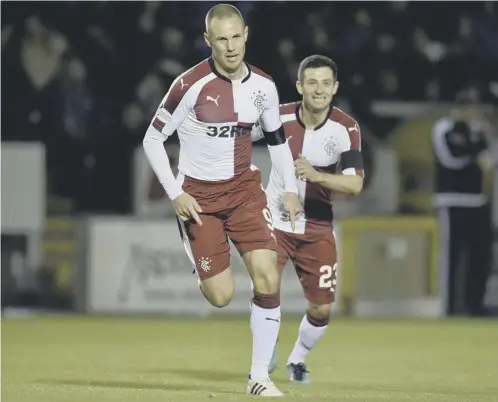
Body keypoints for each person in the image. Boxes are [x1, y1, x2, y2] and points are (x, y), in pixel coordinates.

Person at [142, 4, 301, 397]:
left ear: (246, 34)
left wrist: (292, 189)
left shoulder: (264, 87)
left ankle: (259, 377)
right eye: (221, 39)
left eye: (236, 37)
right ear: (208, 41)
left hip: (245, 193)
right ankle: (203, 265)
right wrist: (175, 194)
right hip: (199, 200)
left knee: (267, 273)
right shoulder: (188, 85)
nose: (230, 47)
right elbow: (153, 139)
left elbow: (278, 144)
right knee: (221, 296)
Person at [252, 55, 364, 383]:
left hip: (316, 228)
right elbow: (239, 138)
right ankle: (264, 349)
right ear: (300, 86)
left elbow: (355, 183)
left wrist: (317, 176)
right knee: (265, 285)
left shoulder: (346, 128)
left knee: (320, 309)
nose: (319, 90)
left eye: (326, 83)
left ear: (336, 87)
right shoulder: (278, 117)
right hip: (274, 220)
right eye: (312, 83)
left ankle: (297, 357)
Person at [431, 89, 494, 317]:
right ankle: (449, 308)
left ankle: (474, 305)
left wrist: (477, 152)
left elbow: (489, 159)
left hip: (477, 201)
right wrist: (475, 153)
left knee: (480, 256)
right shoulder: (443, 128)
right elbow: (451, 158)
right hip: (451, 200)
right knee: (452, 256)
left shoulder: (480, 130)